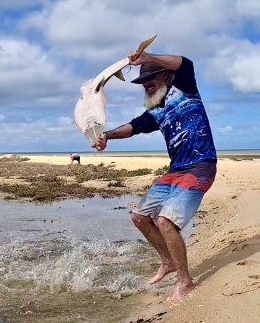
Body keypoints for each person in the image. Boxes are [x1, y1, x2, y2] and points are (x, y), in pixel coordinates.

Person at [93, 49, 217, 301]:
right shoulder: (157, 110)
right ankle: (168, 261)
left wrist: (147, 58)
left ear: (167, 76)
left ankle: (185, 282)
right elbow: (134, 127)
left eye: (151, 78)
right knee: (140, 216)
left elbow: (185, 63)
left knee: (166, 221)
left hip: (200, 166)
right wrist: (106, 135)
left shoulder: (185, 89)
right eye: (142, 82)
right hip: (176, 170)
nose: (146, 84)